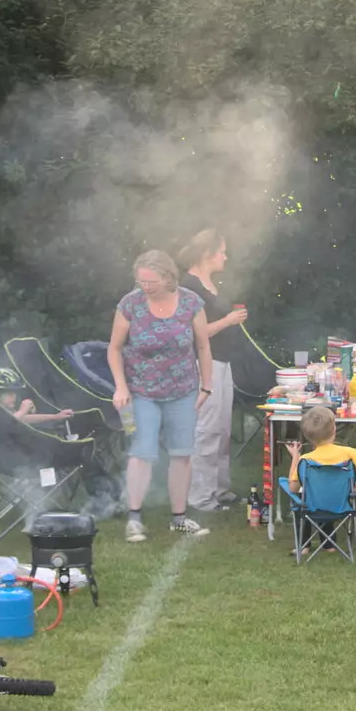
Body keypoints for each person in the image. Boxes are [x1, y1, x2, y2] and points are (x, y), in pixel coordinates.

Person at [108, 249, 215, 542]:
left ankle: (179, 518)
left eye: (151, 282)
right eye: (141, 281)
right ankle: (134, 518)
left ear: (168, 277)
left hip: (183, 390)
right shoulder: (130, 305)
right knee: (142, 453)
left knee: (182, 453)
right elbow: (114, 348)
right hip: (142, 391)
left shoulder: (191, 302)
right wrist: (121, 386)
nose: (146, 287)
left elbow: (203, 346)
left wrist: (206, 386)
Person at [179, 229, 246, 512]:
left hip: (222, 362)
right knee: (206, 429)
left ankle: (220, 488)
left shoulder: (210, 283)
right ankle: (200, 496)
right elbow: (197, 333)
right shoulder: (189, 286)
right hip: (202, 365)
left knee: (222, 428)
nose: (226, 256)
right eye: (222, 251)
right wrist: (229, 320)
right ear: (208, 254)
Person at [284, 406, 356, 555]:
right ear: (334, 429)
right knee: (327, 492)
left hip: (314, 507)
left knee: (302, 499)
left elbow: (292, 489)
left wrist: (295, 455)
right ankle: (329, 544)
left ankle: (304, 546)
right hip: (342, 506)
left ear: (308, 436)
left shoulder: (305, 460)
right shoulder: (349, 453)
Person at [0, 367, 75, 428]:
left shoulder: (1, 410)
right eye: (9, 394)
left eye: (15, 393)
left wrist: (55, 417)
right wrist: (22, 411)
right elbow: (6, 426)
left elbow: (22, 418)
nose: (15, 397)